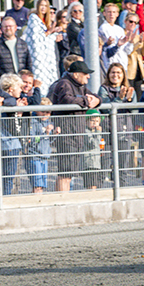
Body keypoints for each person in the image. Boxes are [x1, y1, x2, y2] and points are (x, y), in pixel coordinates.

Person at [50, 59, 101, 192]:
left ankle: (63, 199)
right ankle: (62, 201)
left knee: (69, 173)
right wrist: (86, 101)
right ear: (76, 74)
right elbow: (66, 99)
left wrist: (97, 100)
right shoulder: (64, 84)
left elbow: (94, 97)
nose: (88, 77)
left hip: (76, 134)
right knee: (65, 173)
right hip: (67, 134)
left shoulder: (80, 85)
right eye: (85, 74)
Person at [25, 0, 60, 95]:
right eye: (41, 5)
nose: (43, 8)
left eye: (45, 6)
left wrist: (54, 35)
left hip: (48, 58)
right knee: (40, 80)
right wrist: (50, 32)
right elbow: (36, 38)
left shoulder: (47, 21)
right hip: (38, 57)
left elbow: (47, 37)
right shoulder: (33, 18)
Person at [26, 97, 57, 193]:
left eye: (48, 112)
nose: (45, 114)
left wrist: (54, 134)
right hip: (34, 156)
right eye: (43, 111)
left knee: (42, 185)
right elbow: (32, 140)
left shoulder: (48, 122)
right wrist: (46, 133)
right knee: (37, 184)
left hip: (44, 157)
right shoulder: (33, 122)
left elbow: (49, 141)